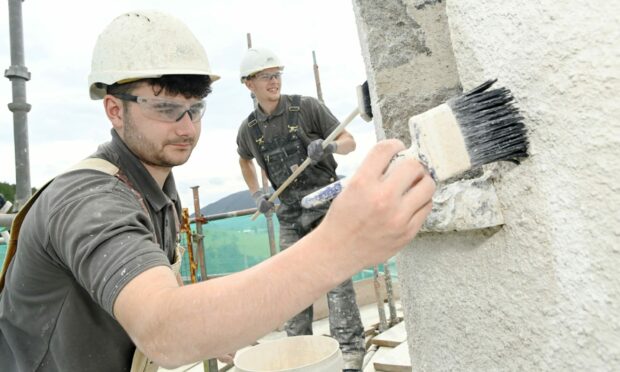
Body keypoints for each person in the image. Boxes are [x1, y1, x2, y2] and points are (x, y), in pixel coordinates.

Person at [0, 10, 435, 372]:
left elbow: (162, 288)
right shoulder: (90, 200)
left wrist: (212, 327)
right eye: (167, 109)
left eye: (195, 109)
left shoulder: (156, 189)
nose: (188, 128)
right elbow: (165, 331)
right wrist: (343, 244)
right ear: (114, 109)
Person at [235, 47, 363, 371]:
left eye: (277, 74)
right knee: (291, 288)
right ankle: (297, 357)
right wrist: (256, 194)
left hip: (326, 208)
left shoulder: (306, 107)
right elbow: (244, 159)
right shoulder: (249, 130)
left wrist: (331, 146)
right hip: (290, 215)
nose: (274, 81)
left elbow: (350, 141)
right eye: (266, 76)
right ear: (249, 84)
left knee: (336, 282)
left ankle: (349, 357)